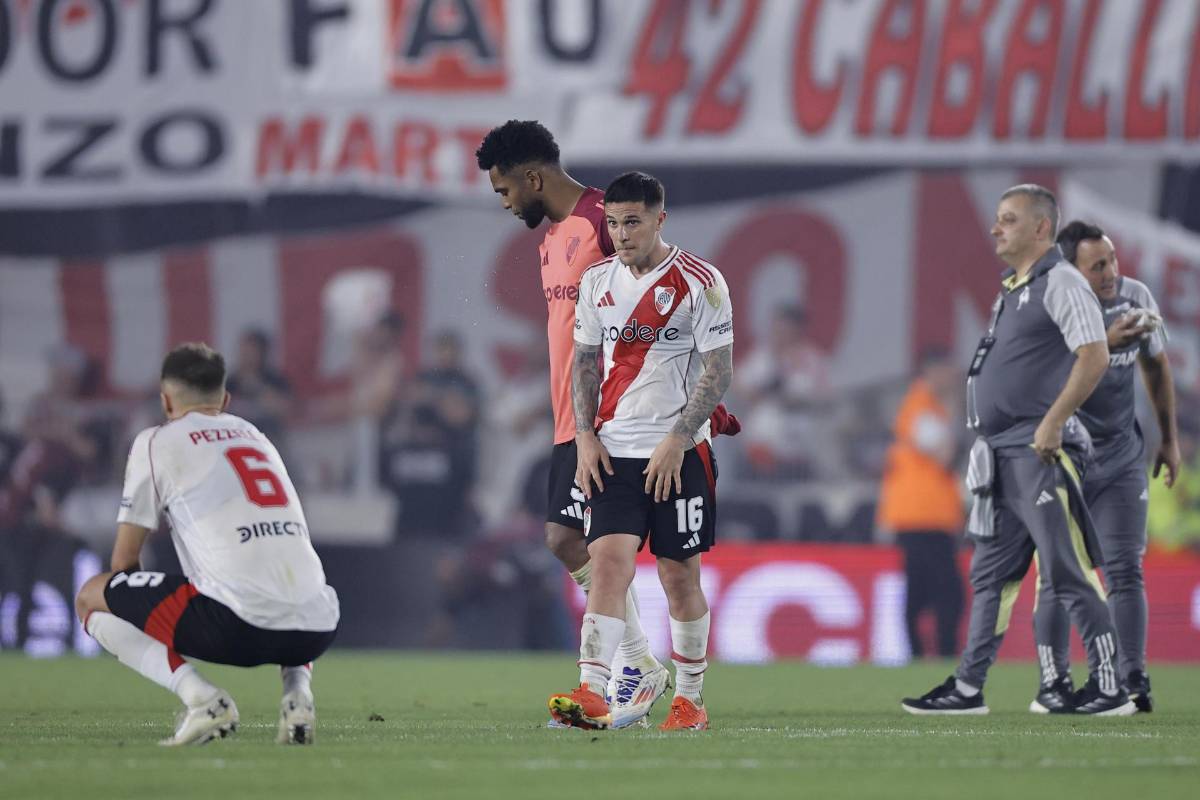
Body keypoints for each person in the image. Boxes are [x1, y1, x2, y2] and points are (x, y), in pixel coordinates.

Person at [902, 184, 1135, 716]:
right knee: (990, 577)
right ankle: (968, 687)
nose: (995, 228)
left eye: (1008, 219)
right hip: (1002, 453)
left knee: (1066, 569)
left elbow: (1094, 355)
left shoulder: (1062, 281)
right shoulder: (1012, 289)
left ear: (1040, 228)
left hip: (1040, 449)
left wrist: (1052, 422)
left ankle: (1109, 685)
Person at [476, 121, 667, 726]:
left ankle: (616, 676)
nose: (505, 203)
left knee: (598, 546)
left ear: (533, 178)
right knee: (564, 539)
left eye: (505, 190)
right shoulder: (552, 238)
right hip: (572, 420)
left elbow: (663, 296)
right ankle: (640, 662)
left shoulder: (605, 222)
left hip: (614, 418)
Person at [74, 343, 340, 746]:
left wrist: (145, 621)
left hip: (235, 628)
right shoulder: (257, 437)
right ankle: (298, 697)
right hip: (318, 627)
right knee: (284, 579)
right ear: (226, 400)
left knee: (91, 597)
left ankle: (202, 700)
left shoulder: (156, 441)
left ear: (166, 401)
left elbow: (124, 562)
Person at [548, 171, 734, 731]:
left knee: (679, 577)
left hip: (680, 453)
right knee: (608, 563)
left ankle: (690, 700)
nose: (622, 233)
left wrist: (678, 439)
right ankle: (592, 690)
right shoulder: (595, 281)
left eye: (633, 222)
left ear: (659, 219)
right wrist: (585, 436)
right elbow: (584, 363)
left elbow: (719, 371)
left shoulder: (701, 282)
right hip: (613, 450)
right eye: (613, 223)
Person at [1029, 222, 1179, 714]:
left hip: (1120, 458)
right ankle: (1055, 683)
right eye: (1097, 266)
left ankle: (1132, 680)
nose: (1111, 272)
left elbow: (1156, 366)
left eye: (1112, 259)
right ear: (1072, 272)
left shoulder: (1136, 297)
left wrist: (1169, 440)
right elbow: (1038, 381)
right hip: (1062, 461)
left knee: (1124, 569)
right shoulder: (1048, 308)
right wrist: (1103, 344)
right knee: (1058, 575)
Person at [876, 348, 965, 659]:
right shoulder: (921, 407)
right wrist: (954, 407)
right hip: (923, 517)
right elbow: (944, 455)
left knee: (921, 589)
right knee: (948, 592)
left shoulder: (924, 407)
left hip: (923, 515)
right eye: (948, 371)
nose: (953, 378)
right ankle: (940, 654)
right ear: (932, 372)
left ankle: (917, 654)